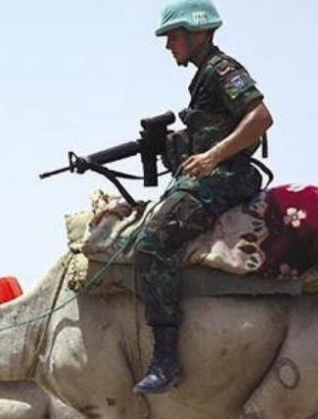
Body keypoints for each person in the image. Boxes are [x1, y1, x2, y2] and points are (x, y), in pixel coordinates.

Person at [131, 0, 274, 395]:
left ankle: (165, 359)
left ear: (198, 33)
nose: (168, 46)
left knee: (151, 245)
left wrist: (212, 156)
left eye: (173, 37)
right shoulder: (202, 78)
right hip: (214, 174)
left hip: (226, 178)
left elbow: (260, 117)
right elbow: (209, 130)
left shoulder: (223, 69)